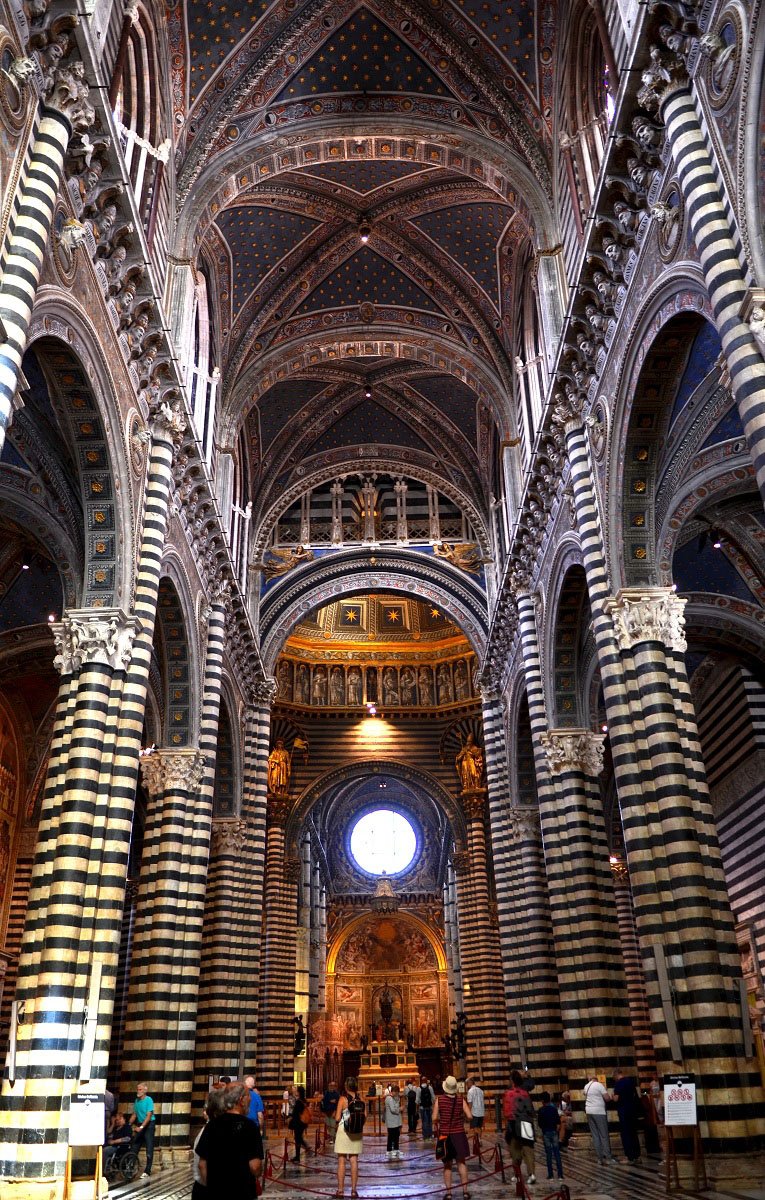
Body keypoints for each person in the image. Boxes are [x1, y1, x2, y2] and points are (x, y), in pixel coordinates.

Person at [196, 1082, 263, 1200]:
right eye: (248, 1096)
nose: (250, 1099)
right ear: (241, 1100)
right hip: (243, 1193)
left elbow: (202, 1164)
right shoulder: (250, 1127)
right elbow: (255, 1167)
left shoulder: (212, 1125)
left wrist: (213, 1189)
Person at [433, 1075, 472, 1200]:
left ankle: (449, 1193)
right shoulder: (461, 1100)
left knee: (447, 1165)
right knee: (461, 1163)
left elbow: (434, 1118)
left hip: (445, 1135)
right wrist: (461, 1117)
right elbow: (470, 1116)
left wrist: (441, 1119)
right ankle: (465, 1192)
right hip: (459, 1134)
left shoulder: (440, 1100)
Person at [503, 1070, 536, 1185]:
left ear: (512, 1080)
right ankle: (531, 1174)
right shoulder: (525, 1093)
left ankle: (517, 1175)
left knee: (515, 1151)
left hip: (514, 1124)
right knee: (528, 1149)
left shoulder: (509, 1093)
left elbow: (507, 1112)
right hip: (527, 1123)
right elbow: (531, 1110)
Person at [334, 1076, 366, 1198]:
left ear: (346, 1086)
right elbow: (365, 1116)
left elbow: (337, 1118)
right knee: (354, 1160)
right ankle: (353, 1190)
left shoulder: (343, 1099)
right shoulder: (361, 1098)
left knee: (341, 1160)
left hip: (344, 1130)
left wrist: (346, 1116)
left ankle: (341, 1190)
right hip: (356, 1131)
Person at [583, 1070, 615, 1165]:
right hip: (599, 1112)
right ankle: (608, 1158)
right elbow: (607, 1098)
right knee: (604, 1135)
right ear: (596, 1079)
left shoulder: (586, 1086)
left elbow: (585, 1095)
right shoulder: (599, 1085)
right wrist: (611, 1096)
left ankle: (599, 1158)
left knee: (595, 1135)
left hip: (589, 1111)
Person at [613, 1068, 640, 1162]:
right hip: (633, 1110)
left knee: (626, 1133)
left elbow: (616, 1098)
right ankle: (637, 1155)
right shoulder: (630, 1081)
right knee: (633, 1133)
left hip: (624, 1111)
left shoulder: (618, 1083)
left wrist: (613, 1097)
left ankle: (629, 1156)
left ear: (616, 1075)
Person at [129, 1082, 155, 1179]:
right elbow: (134, 1114)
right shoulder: (137, 1101)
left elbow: (149, 1115)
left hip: (149, 1125)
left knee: (149, 1147)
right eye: (137, 1089)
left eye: (140, 1089)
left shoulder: (149, 1100)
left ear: (145, 1090)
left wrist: (141, 1127)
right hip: (140, 1124)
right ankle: (130, 1168)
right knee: (135, 1145)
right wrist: (128, 1124)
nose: (138, 1091)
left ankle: (147, 1171)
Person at [537, 1091, 564, 1181]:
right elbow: (558, 1121)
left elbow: (540, 1123)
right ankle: (560, 1175)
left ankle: (551, 1175)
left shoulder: (541, 1110)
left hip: (546, 1133)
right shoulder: (553, 1109)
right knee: (557, 1153)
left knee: (548, 1154)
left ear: (542, 1100)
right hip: (554, 1132)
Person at [290, 1085, 310, 1162]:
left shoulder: (299, 1101)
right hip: (303, 1122)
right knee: (299, 1138)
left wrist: (291, 1118)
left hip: (298, 1123)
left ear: (299, 1092)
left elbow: (295, 1112)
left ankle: (298, 1157)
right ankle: (305, 1148)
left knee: (297, 1139)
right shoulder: (304, 1100)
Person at [384, 1083, 402, 1159]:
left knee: (396, 1136)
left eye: (398, 1092)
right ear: (393, 1091)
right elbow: (393, 1109)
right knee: (391, 1136)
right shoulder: (389, 1098)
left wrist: (398, 1100)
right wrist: (400, 1109)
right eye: (396, 1092)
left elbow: (396, 1106)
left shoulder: (394, 1098)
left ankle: (396, 1149)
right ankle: (389, 1150)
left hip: (396, 1121)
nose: (397, 1094)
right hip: (391, 1121)